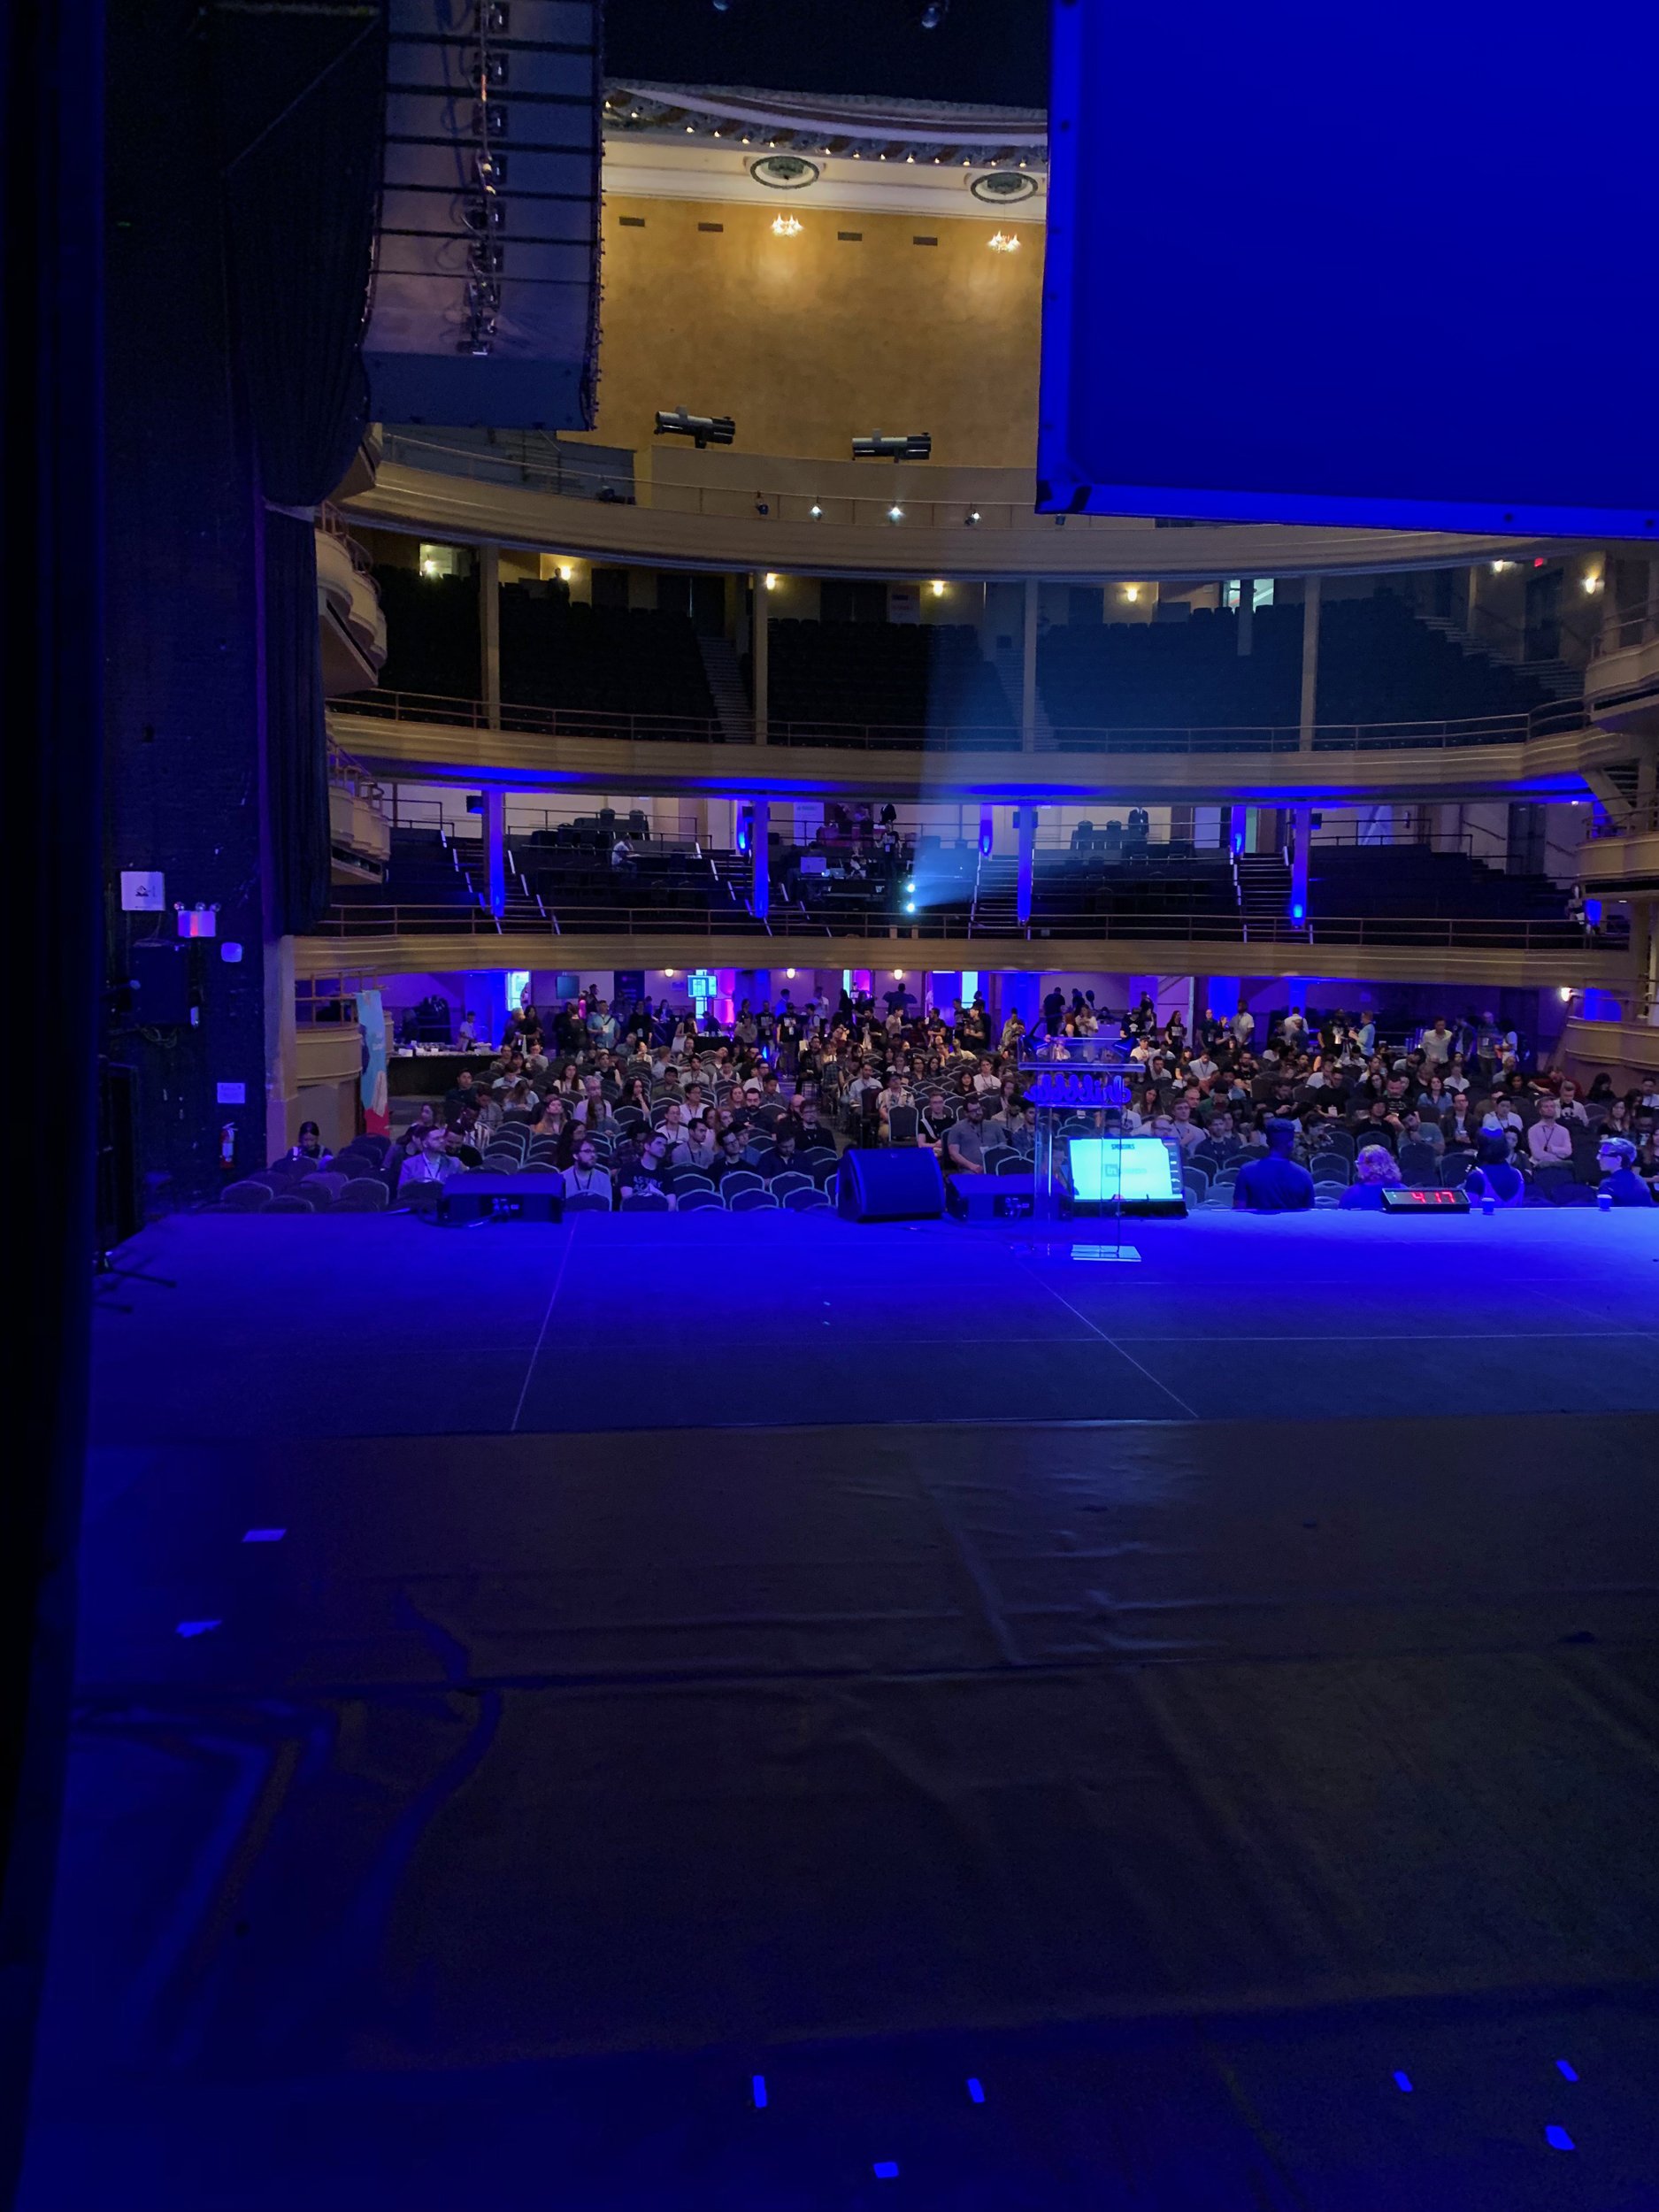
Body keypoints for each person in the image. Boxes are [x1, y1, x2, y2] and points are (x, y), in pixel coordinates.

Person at [1232, 1118, 1315, 1211]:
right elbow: (1309, 1214)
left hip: (1257, 1226)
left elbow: (1238, 1211)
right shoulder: (1304, 1175)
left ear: (1267, 1141)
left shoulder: (1247, 1171)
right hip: (1291, 1226)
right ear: (1291, 1144)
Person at [1464, 1129, 1525, 1207]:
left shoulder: (1476, 1177)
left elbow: (1470, 1211)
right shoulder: (1518, 1174)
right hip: (1513, 1219)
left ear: (1481, 1149)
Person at [1595, 1136, 1655, 1206]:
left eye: (1603, 1155)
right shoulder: (1640, 1181)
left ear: (1618, 1159)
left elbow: (1604, 1215)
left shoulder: (1608, 1184)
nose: (1598, 1158)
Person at [397, 1123, 458, 1190]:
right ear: (425, 1143)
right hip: (420, 1199)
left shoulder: (453, 1163)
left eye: (442, 1138)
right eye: (436, 1139)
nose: (442, 1141)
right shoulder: (409, 1164)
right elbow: (402, 1192)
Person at [1339, 1144, 1402, 1210]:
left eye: (1359, 1163)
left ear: (1372, 1166)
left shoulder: (1351, 1194)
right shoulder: (1404, 1192)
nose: (1358, 1167)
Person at [560, 1136, 612, 1206]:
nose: (593, 1155)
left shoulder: (604, 1179)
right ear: (575, 1155)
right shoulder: (562, 1178)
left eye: (594, 1152)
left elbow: (607, 1207)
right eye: (587, 1151)